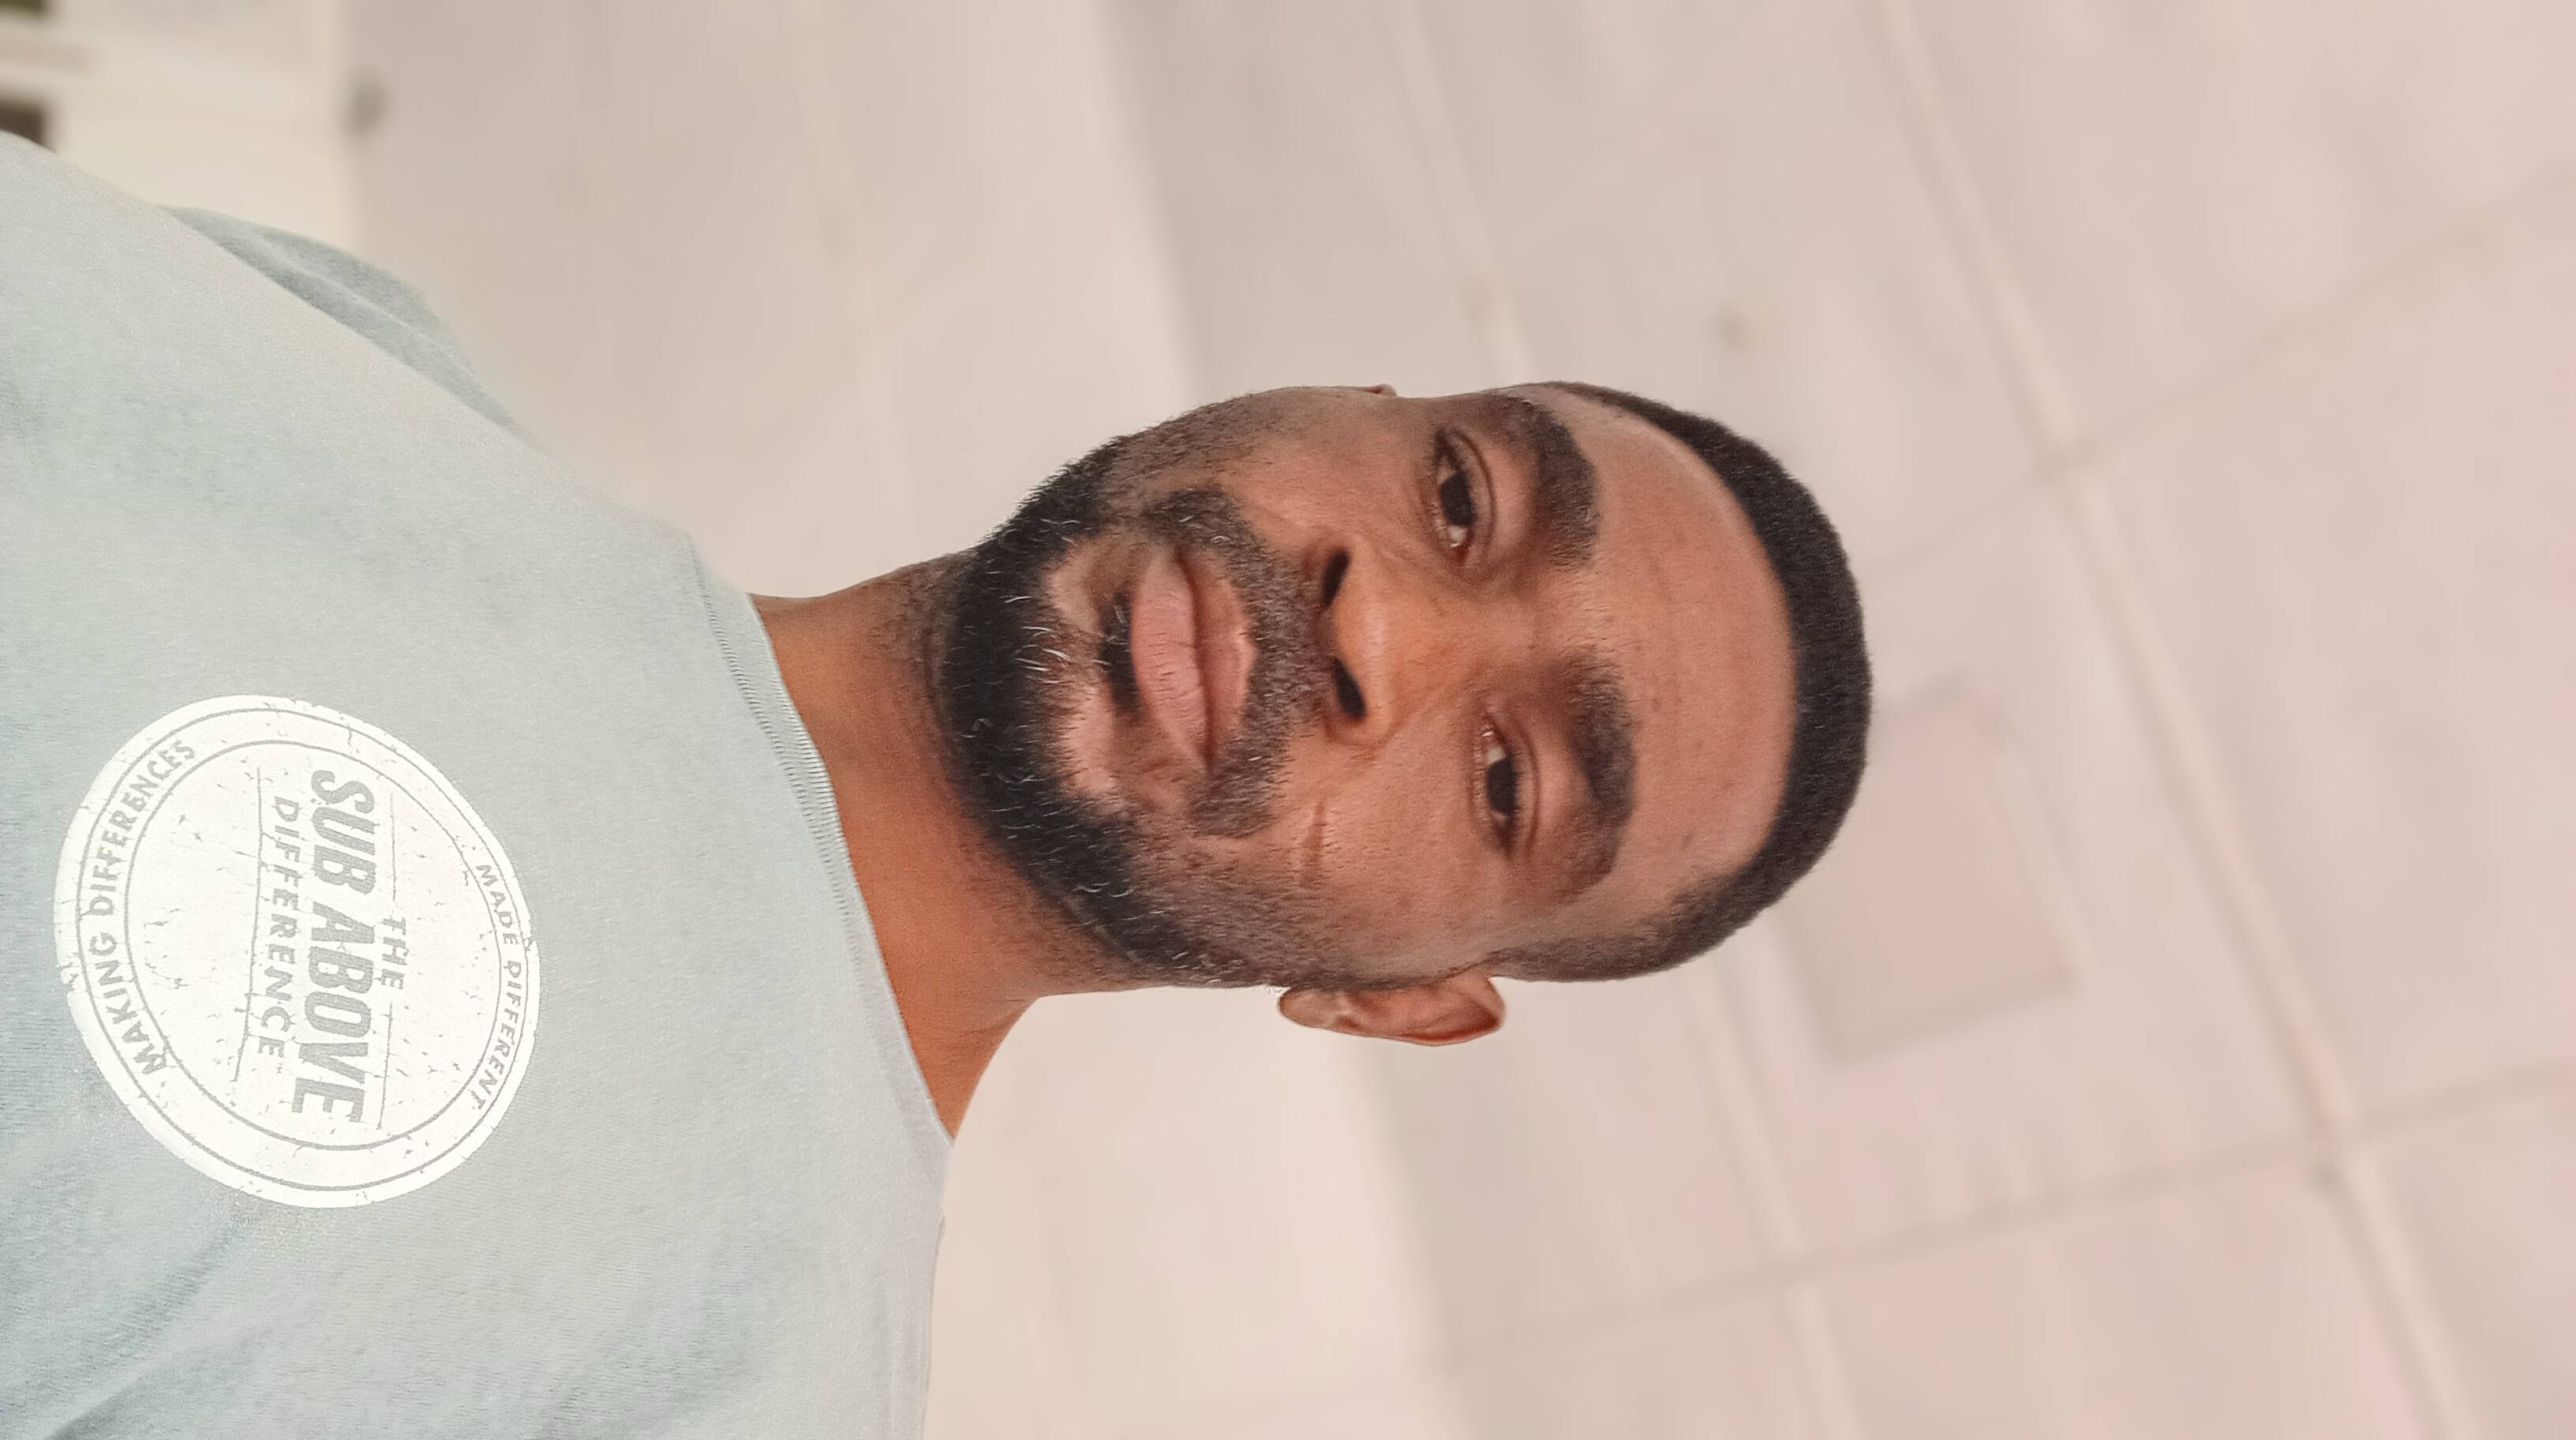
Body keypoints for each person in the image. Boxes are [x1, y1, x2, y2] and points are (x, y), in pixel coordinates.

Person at [0, 135, 1867, 1438]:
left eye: (1508, 778)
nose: (1380, 618)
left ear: (1403, 1001)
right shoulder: (346, 340)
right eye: (1460, 496)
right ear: (1354, 403)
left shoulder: (736, 1392)